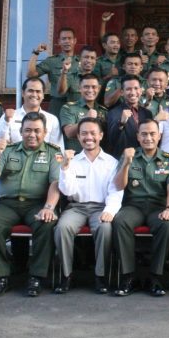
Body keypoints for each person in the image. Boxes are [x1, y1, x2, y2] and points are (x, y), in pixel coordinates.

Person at [0, 113, 62, 298]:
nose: (32, 134)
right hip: (7, 205)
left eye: (37, 131)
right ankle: (1, 277)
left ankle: (36, 277)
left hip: (37, 204)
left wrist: (49, 208)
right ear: (21, 131)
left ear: (45, 132)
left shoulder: (53, 153)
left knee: (46, 223)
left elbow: (55, 184)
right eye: (28, 130)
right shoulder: (8, 150)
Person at [54, 118, 123, 294]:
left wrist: (109, 211)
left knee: (105, 228)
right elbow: (67, 190)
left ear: (101, 135)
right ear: (78, 136)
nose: (89, 137)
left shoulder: (111, 162)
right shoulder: (73, 160)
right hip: (76, 207)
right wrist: (65, 168)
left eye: (93, 133)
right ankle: (66, 274)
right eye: (84, 133)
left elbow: (116, 191)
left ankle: (100, 276)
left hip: (101, 207)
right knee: (62, 228)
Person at [111, 120, 169, 297]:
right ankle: (129, 276)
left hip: (159, 206)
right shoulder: (128, 156)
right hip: (134, 205)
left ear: (159, 136)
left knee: (168, 224)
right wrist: (126, 163)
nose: (148, 138)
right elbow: (119, 186)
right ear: (137, 137)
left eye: (152, 134)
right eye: (144, 134)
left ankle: (155, 277)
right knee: (120, 221)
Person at [0, 77, 62, 149]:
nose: (34, 94)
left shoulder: (52, 120)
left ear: (43, 95)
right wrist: (6, 122)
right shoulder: (9, 116)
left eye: (38, 91)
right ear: (23, 93)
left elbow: (57, 148)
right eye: (30, 91)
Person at [28, 27, 78, 115]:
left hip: (77, 104)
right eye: (64, 39)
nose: (67, 41)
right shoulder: (52, 61)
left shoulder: (82, 61)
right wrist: (36, 53)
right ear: (59, 41)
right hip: (57, 104)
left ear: (74, 41)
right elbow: (31, 75)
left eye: (69, 38)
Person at [104, 75, 154, 155]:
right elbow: (112, 140)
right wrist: (121, 123)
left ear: (141, 91)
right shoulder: (114, 113)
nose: (133, 92)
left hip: (143, 159)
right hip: (124, 160)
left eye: (136, 88)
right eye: (128, 89)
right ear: (122, 92)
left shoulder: (147, 113)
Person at [59, 73, 108, 153]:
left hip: (98, 159)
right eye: (86, 87)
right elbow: (69, 133)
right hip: (75, 157)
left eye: (94, 87)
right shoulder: (69, 108)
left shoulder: (103, 111)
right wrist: (86, 118)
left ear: (99, 88)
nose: (90, 90)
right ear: (79, 88)